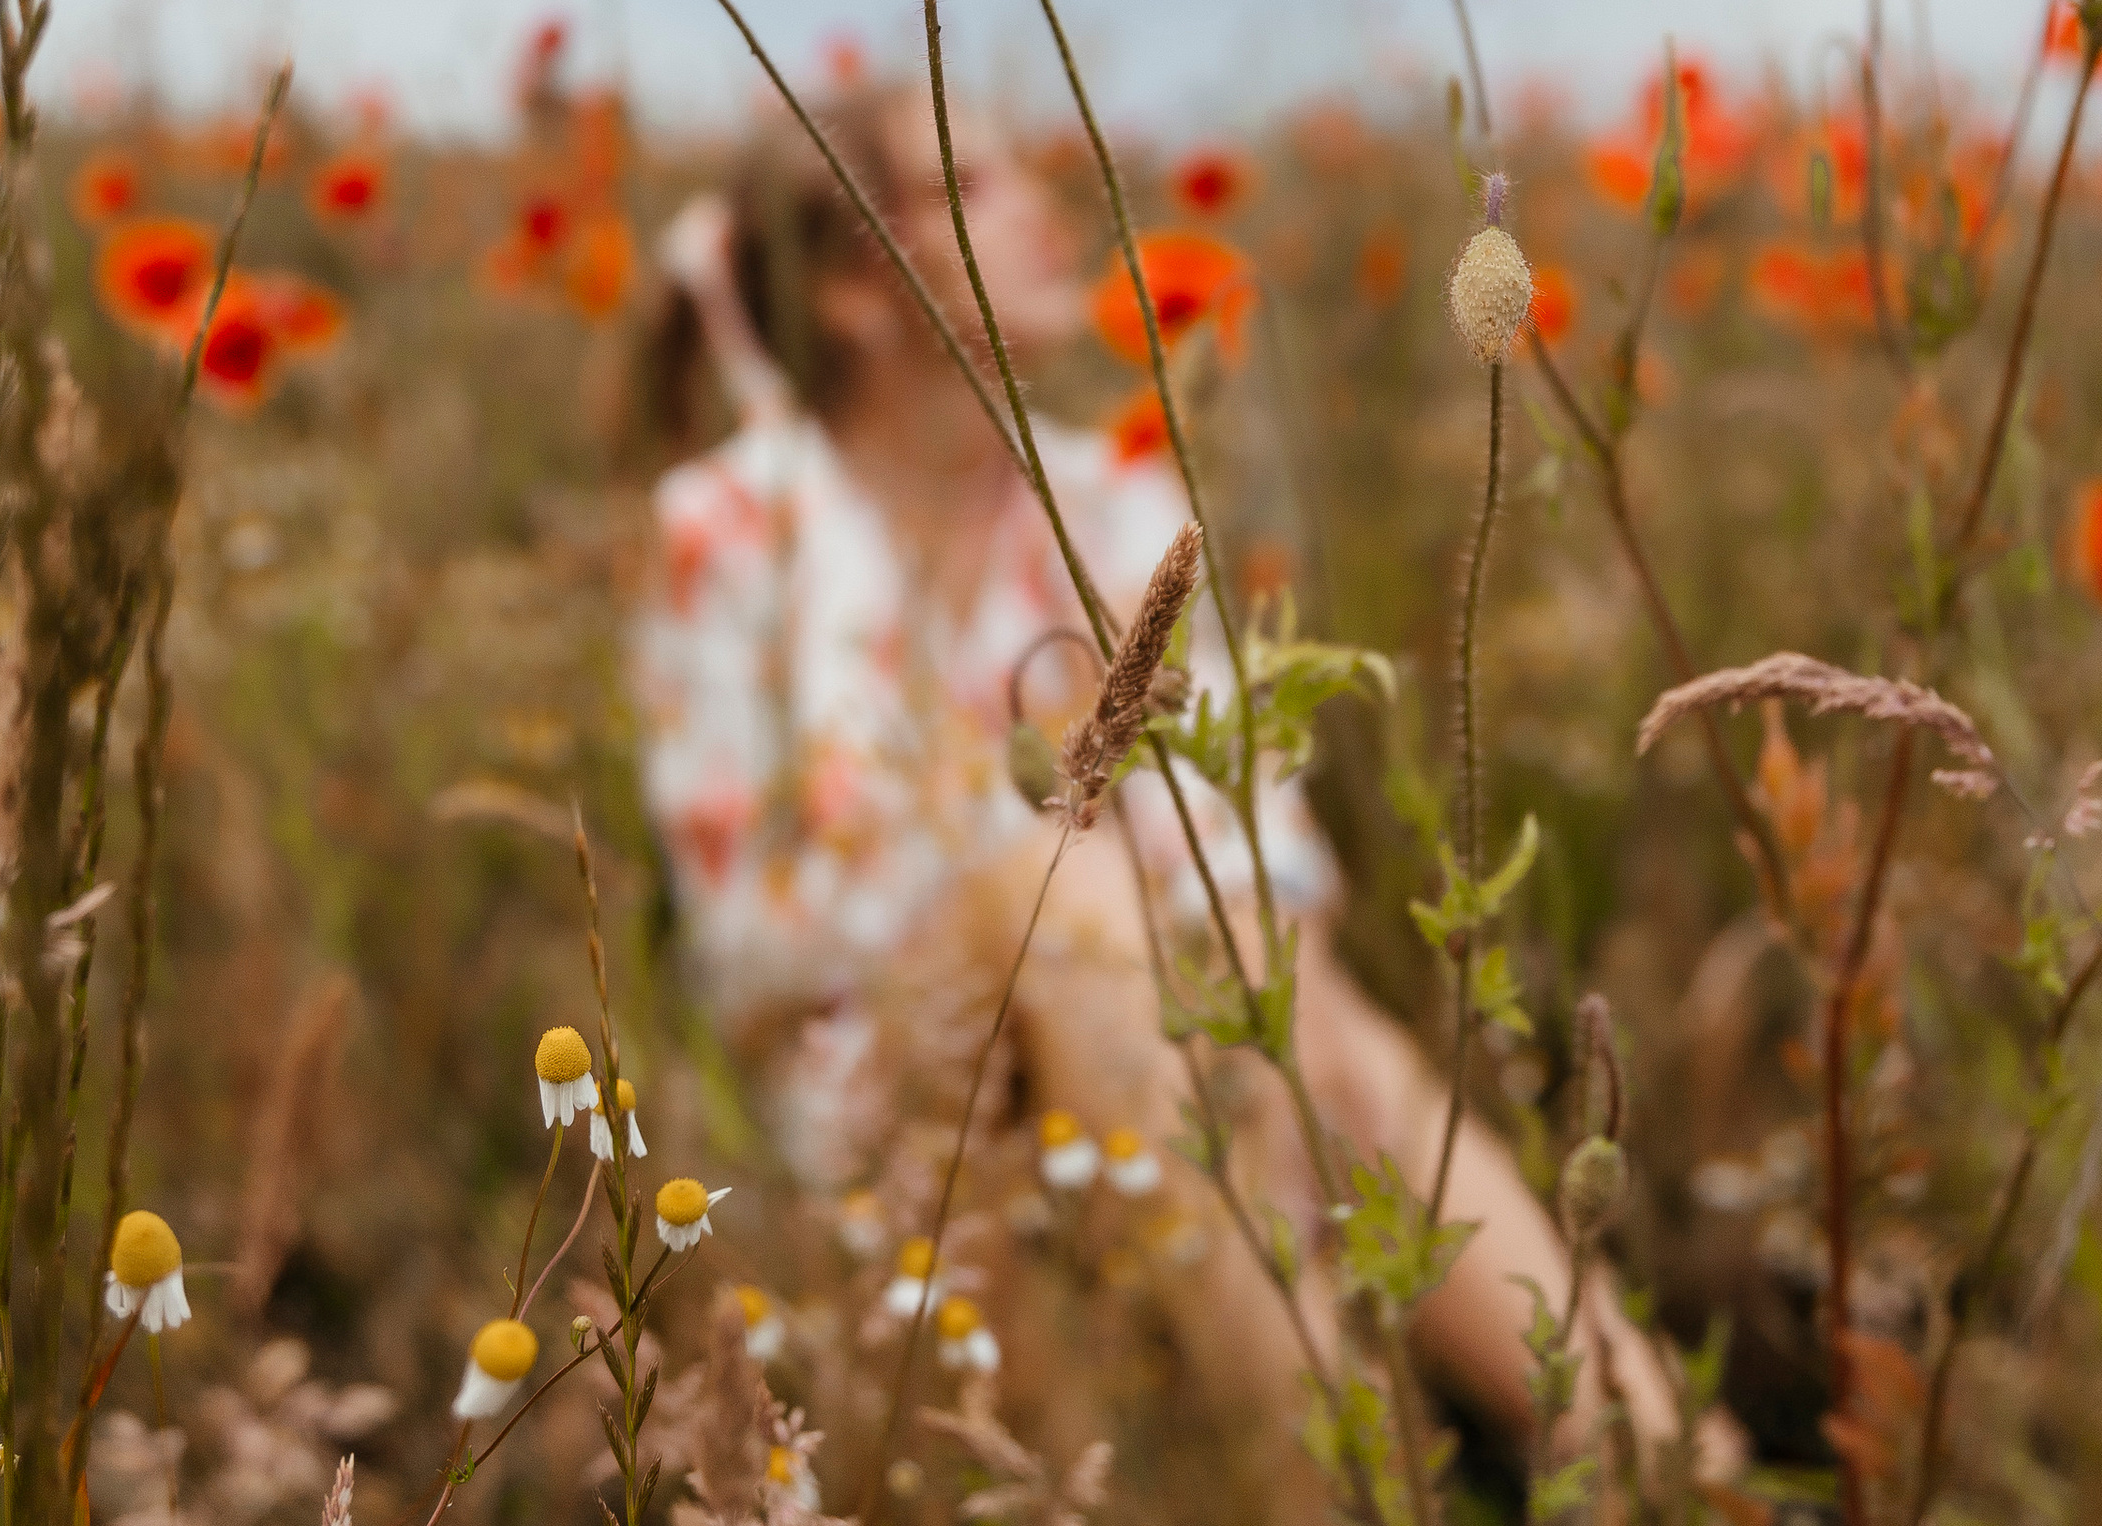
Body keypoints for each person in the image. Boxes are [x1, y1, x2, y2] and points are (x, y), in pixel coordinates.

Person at [635, 81, 1660, 1450]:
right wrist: (1013, 871)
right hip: (888, 1103)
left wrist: (1235, 929)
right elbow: (752, 949)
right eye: (977, 186)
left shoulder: (1116, 494)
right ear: (851, 292)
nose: (1056, 209)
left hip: (1163, 1030)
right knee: (1074, 905)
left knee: (1308, 1012)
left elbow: (1260, 838)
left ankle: (1668, 1488)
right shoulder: (734, 536)